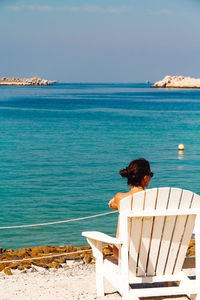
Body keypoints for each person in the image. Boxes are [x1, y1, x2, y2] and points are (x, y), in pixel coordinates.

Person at [108, 158, 153, 258]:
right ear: (145, 178)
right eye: (151, 174)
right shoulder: (155, 197)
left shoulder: (120, 197)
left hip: (124, 255)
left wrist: (114, 201)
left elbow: (112, 205)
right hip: (153, 255)